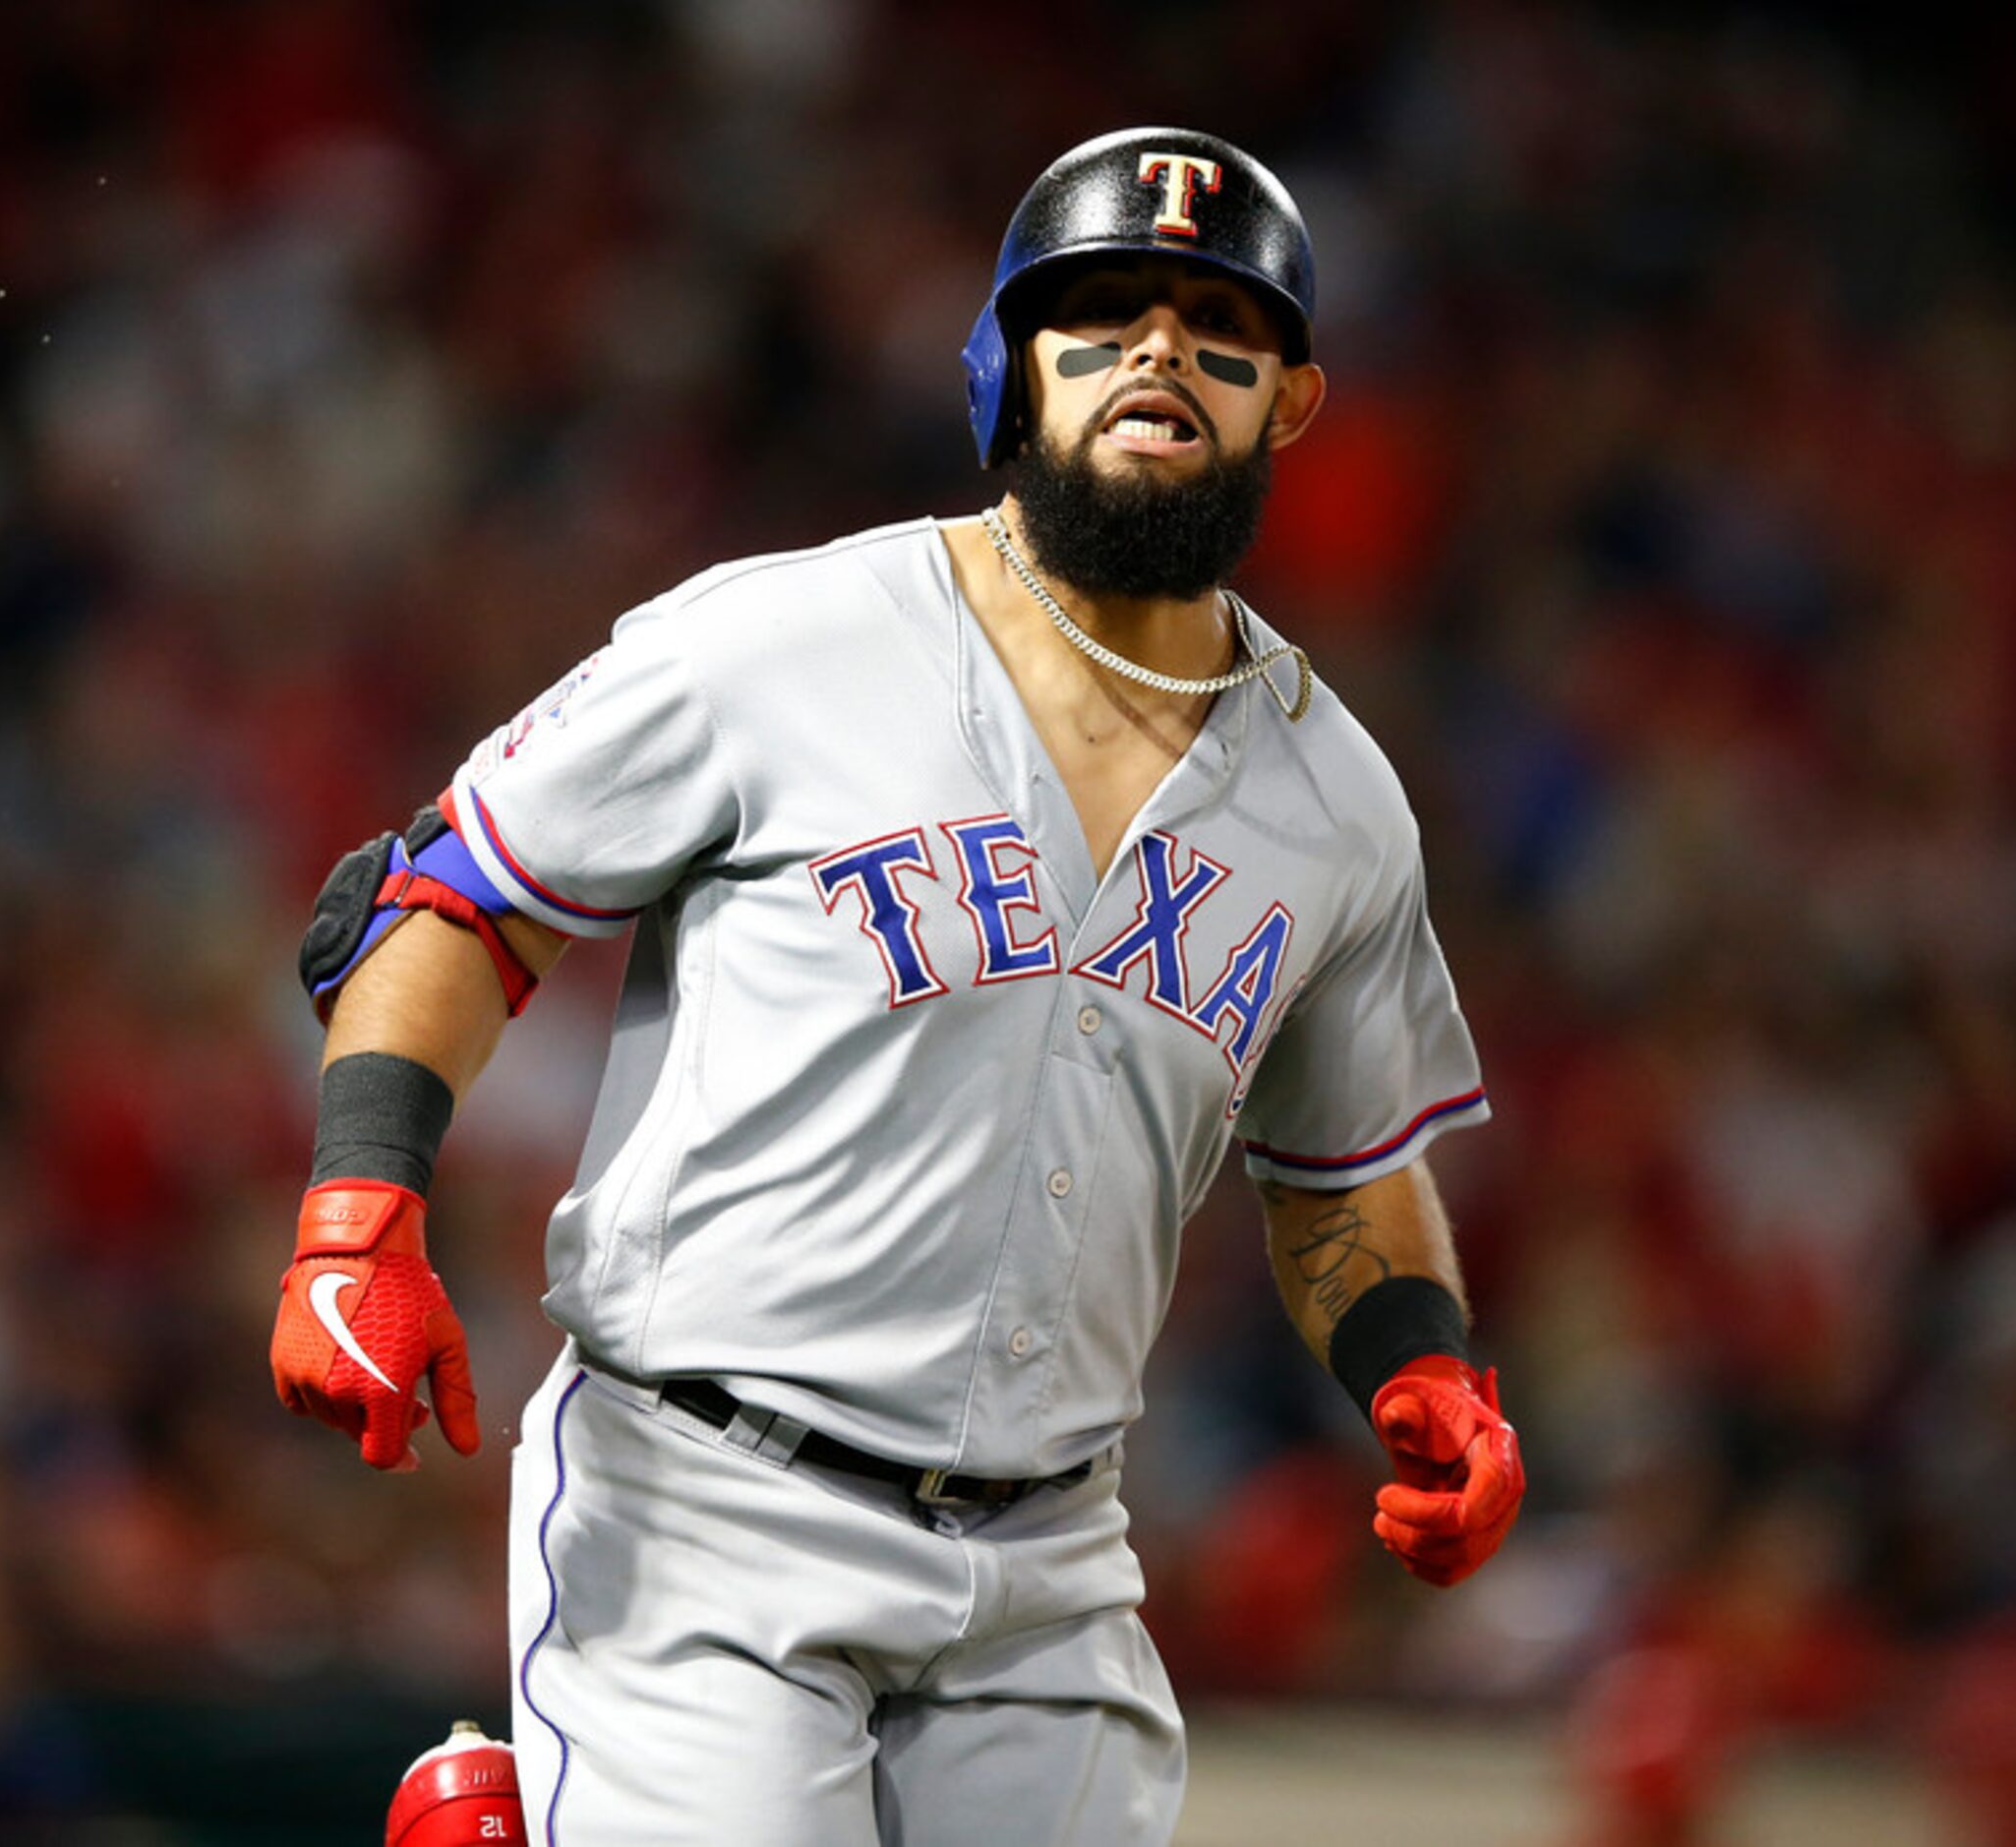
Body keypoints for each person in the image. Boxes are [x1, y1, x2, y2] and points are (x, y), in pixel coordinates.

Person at [271, 125, 1525, 1845]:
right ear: (1012, 366)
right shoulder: (782, 640)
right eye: (1104, 308)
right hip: (709, 1495)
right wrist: (359, 1206)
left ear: (1286, 403)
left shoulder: (1341, 806)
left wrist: (1427, 1360)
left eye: (1215, 322)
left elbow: (1338, 1177)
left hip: (1053, 1560)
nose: (1160, 347)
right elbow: (459, 898)